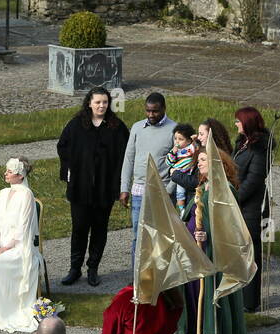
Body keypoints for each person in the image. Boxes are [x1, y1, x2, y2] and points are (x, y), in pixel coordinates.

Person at [57, 86, 130, 286]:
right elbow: (62, 146)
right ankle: (75, 268)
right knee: (79, 228)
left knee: (99, 229)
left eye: (105, 102)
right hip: (81, 189)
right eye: (97, 102)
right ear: (89, 102)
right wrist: (73, 168)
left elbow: (126, 154)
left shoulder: (116, 127)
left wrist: (120, 183)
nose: (101, 106)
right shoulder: (76, 125)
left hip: (104, 189)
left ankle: (93, 268)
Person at [180, 148, 246, 334]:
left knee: (209, 292)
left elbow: (232, 226)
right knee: (193, 291)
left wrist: (208, 235)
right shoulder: (202, 187)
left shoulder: (225, 190)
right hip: (195, 252)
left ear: (216, 163)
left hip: (214, 254)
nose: (198, 163)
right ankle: (196, 332)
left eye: (203, 159)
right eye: (197, 159)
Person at [0, 157, 43, 333]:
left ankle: (2, 311)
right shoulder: (3, 193)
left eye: (10, 172)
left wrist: (6, 247)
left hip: (19, 248)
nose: (5, 174)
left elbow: (23, 228)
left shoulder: (27, 195)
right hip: (1, 245)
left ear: (20, 175)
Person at [119, 92, 176, 264]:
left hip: (162, 191)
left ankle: (160, 278)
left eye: (155, 111)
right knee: (138, 235)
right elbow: (129, 158)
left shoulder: (174, 130)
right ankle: (136, 278)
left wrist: (169, 191)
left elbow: (180, 165)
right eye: (148, 111)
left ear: (163, 109)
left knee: (161, 236)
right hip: (138, 190)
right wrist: (124, 188)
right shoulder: (137, 128)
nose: (151, 115)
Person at [233, 107, 273, 313]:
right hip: (239, 205)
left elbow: (254, 181)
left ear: (247, 123)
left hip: (252, 208)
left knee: (250, 252)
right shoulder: (242, 143)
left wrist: (233, 198)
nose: (236, 124)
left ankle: (250, 300)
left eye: (238, 121)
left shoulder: (260, 149)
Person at [167, 123, 198, 212]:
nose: (177, 141)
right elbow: (169, 162)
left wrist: (194, 139)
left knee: (182, 192)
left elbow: (196, 147)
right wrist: (173, 152)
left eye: (181, 139)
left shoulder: (190, 148)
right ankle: (182, 210)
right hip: (178, 174)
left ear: (188, 141)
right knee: (179, 194)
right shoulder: (175, 150)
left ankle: (184, 210)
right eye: (175, 138)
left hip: (187, 174)